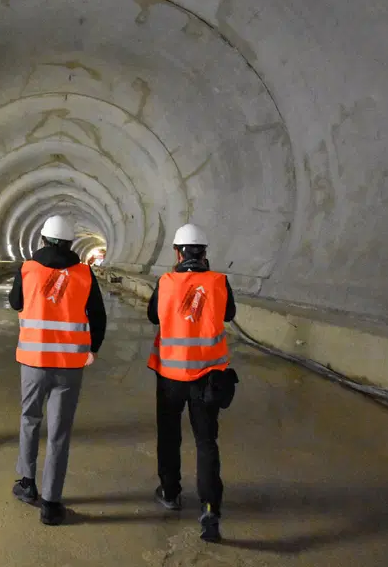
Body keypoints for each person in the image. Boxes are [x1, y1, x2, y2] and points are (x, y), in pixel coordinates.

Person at [8, 215, 107, 526]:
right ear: (70, 244)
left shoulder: (27, 269)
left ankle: (27, 484)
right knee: (59, 432)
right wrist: (93, 350)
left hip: (33, 362)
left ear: (43, 240)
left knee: (29, 420)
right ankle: (51, 502)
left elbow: (15, 302)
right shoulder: (84, 274)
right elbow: (99, 317)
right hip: (69, 365)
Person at [147, 224, 237, 542]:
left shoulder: (166, 282)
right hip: (208, 377)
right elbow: (228, 314)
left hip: (170, 377)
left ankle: (170, 492)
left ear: (177, 252)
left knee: (170, 438)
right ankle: (210, 510)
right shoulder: (219, 282)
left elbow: (153, 317)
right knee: (206, 442)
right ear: (205, 253)